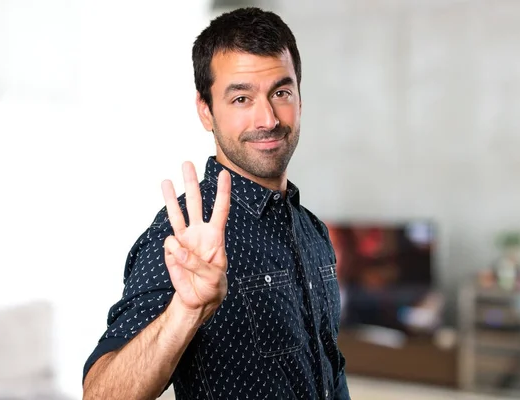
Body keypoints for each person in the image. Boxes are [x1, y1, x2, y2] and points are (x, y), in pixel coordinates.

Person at [83, 7, 350, 400]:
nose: (268, 118)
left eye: (281, 92)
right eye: (241, 98)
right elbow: (100, 394)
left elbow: (331, 370)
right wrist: (185, 311)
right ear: (206, 111)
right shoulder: (184, 235)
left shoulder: (313, 231)